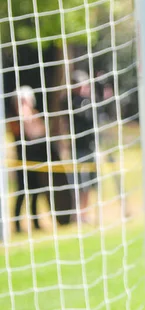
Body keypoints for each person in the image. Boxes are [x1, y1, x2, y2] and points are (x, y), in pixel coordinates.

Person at [8, 86, 59, 233]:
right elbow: (25, 134)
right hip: (22, 162)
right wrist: (24, 116)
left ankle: (36, 222)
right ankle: (16, 224)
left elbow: (41, 133)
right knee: (22, 193)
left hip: (36, 161)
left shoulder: (35, 115)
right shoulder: (14, 118)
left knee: (37, 193)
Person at [63, 70, 98, 223]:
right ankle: (76, 214)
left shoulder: (90, 102)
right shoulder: (70, 103)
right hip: (78, 148)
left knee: (89, 183)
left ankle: (85, 213)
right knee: (78, 183)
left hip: (90, 147)